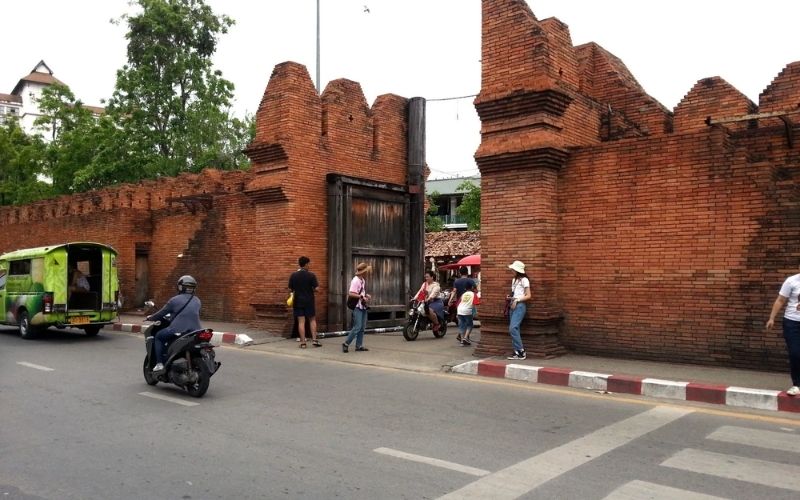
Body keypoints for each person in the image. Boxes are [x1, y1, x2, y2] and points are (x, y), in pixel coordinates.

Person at [146, 275, 202, 373]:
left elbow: (162, 313)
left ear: (180, 287)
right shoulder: (197, 301)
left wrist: (151, 317)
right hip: (196, 330)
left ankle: (159, 364)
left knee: (159, 336)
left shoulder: (175, 300)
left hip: (178, 329)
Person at [766, 268, 800, 396]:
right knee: (795, 353)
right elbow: (780, 300)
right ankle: (796, 384)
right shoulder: (791, 281)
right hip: (792, 322)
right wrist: (772, 318)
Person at [288, 256, 321, 348]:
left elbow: (290, 289)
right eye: (309, 264)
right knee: (312, 320)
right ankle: (314, 340)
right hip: (309, 301)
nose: (309, 265)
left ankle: (303, 343)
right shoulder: (311, 275)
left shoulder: (293, 275)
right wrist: (311, 290)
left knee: (301, 322)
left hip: (298, 301)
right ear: (306, 264)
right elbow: (317, 289)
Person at [342, 263, 372, 353]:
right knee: (357, 327)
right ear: (363, 272)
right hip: (357, 306)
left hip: (362, 306)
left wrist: (366, 296)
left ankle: (359, 345)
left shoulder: (362, 280)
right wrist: (360, 296)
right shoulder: (355, 280)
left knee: (362, 327)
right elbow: (351, 293)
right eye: (366, 271)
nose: (367, 273)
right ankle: (346, 343)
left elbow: (361, 292)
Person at [507, 260, 531, 360]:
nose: (511, 270)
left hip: (520, 305)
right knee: (514, 329)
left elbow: (528, 295)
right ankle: (517, 351)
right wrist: (511, 297)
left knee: (513, 328)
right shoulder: (514, 280)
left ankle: (521, 351)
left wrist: (517, 299)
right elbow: (515, 293)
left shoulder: (524, 280)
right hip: (513, 304)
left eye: (513, 269)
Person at [449, 266, 476, 341]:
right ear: (467, 272)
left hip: (459, 303)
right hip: (469, 302)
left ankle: (462, 336)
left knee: (462, 320)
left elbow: (454, 291)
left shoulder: (456, 281)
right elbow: (476, 290)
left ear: (460, 273)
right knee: (468, 321)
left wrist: (450, 300)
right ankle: (465, 337)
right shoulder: (471, 281)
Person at [457, 281, 476, 346]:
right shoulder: (473, 294)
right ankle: (465, 338)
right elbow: (476, 303)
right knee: (470, 325)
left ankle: (462, 341)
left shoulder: (463, 294)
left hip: (459, 310)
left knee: (462, 326)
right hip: (467, 311)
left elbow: (458, 303)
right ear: (472, 287)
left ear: (465, 288)